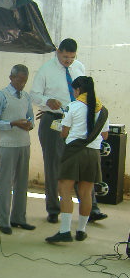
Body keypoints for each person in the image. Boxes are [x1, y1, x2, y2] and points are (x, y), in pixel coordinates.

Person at [30, 38, 107, 224]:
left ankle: (91, 209)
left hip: (79, 122)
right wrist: (47, 101)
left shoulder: (79, 67)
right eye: (65, 57)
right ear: (58, 52)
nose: (68, 61)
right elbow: (34, 95)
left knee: (82, 164)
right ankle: (53, 209)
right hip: (54, 120)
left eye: (72, 58)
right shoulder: (46, 70)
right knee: (53, 165)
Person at [46, 76, 109, 243]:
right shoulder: (102, 109)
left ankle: (65, 231)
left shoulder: (73, 106)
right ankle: (81, 231)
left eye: (74, 90)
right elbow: (105, 135)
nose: (74, 93)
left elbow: (64, 133)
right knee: (86, 192)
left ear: (78, 90)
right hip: (93, 154)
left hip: (74, 152)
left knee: (65, 190)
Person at [0, 64, 36, 234]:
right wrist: (12, 123)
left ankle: (19, 218)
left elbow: (30, 117)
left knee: (22, 183)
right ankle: (4, 221)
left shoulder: (26, 96)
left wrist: (29, 124)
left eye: (25, 81)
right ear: (11, 78)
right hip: (8, 145)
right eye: (19, 80)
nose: (22, 84)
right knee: (5, 183)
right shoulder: (1, 96)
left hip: (24, 143)